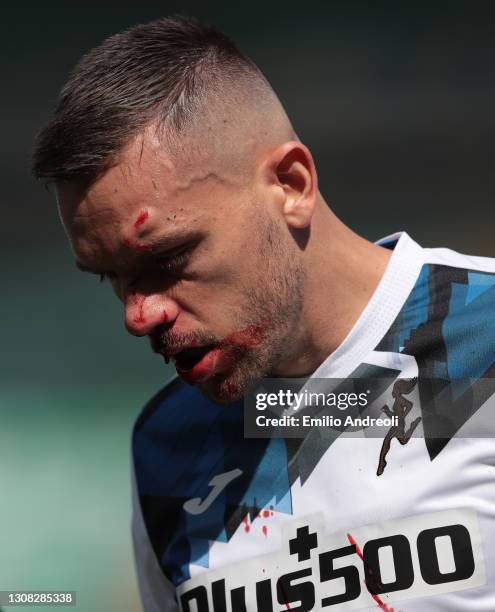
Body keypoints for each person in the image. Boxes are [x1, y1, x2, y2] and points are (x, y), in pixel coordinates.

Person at [32, 16, 495, 612]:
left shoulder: (482, 338)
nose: (138, 315)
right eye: (111, 277)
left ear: (291, 185)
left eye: (169, 255)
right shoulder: (167, 444)